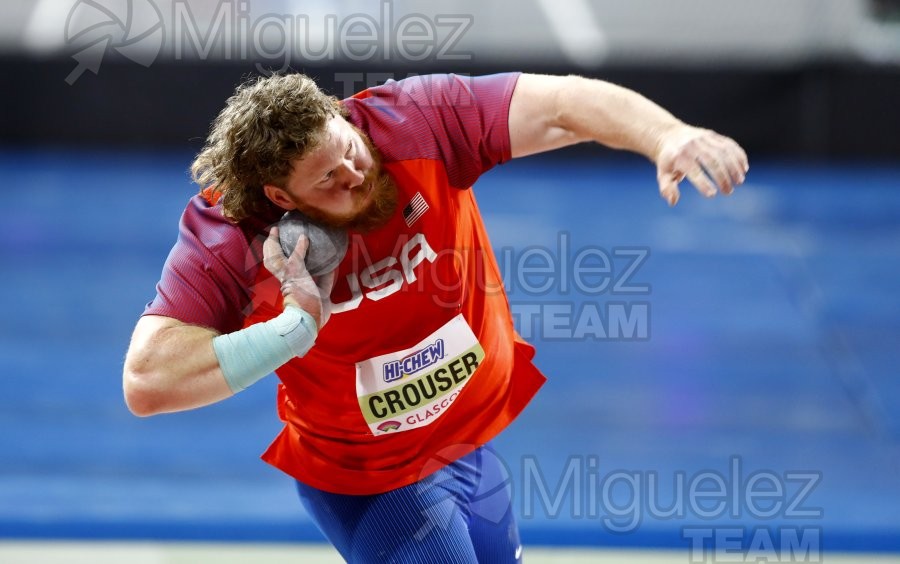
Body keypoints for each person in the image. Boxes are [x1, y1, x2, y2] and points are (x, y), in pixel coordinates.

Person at [122, 72, 748, 562]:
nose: (355, 173)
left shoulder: (416, 121)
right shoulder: (230, 234)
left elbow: (561, 104)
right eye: (329, 181)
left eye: (348, 150)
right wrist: (294, 328)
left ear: (340, 115)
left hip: (469, 440)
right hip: (370, 479)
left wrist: (662, 135)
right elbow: (147, 382)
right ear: (282, 199)